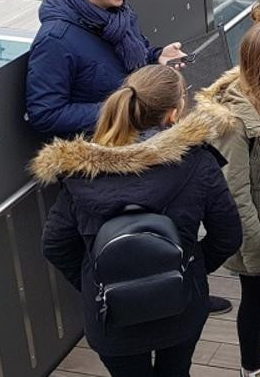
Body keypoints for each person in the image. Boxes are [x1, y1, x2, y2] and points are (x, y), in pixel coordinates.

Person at [34, 65, 241, 376]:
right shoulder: (197, 163)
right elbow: (228, 234)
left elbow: (55, 244)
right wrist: (189, 267)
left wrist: (98, 281)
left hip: (111, 317)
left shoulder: (82, 171)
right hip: (180, 306)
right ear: (173, 114)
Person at [196, 22, 260, 377]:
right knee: (255, 299)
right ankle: (250, 365)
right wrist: (256, 246)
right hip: (254, 225)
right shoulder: (234, 122)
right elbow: (234, 190)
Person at [26, 0, 185, 136]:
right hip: (105, 151)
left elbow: (138, 54)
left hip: (138, 130)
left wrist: (157, 56)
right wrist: (121, 109)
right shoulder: (55, 40)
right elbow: (45, 115)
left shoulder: (119, 13)